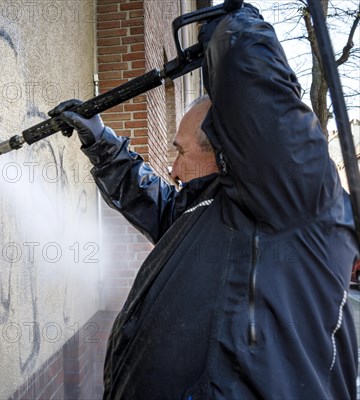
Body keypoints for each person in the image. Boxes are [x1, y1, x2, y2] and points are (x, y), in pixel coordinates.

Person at [49, 4, 358, 399]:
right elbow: (162, 208)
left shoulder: (295, 204)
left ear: (226, 150)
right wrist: (103, 143)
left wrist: (232, 27)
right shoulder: (215, 208)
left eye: (179, 151)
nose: (173, 170)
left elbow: (258, 100)